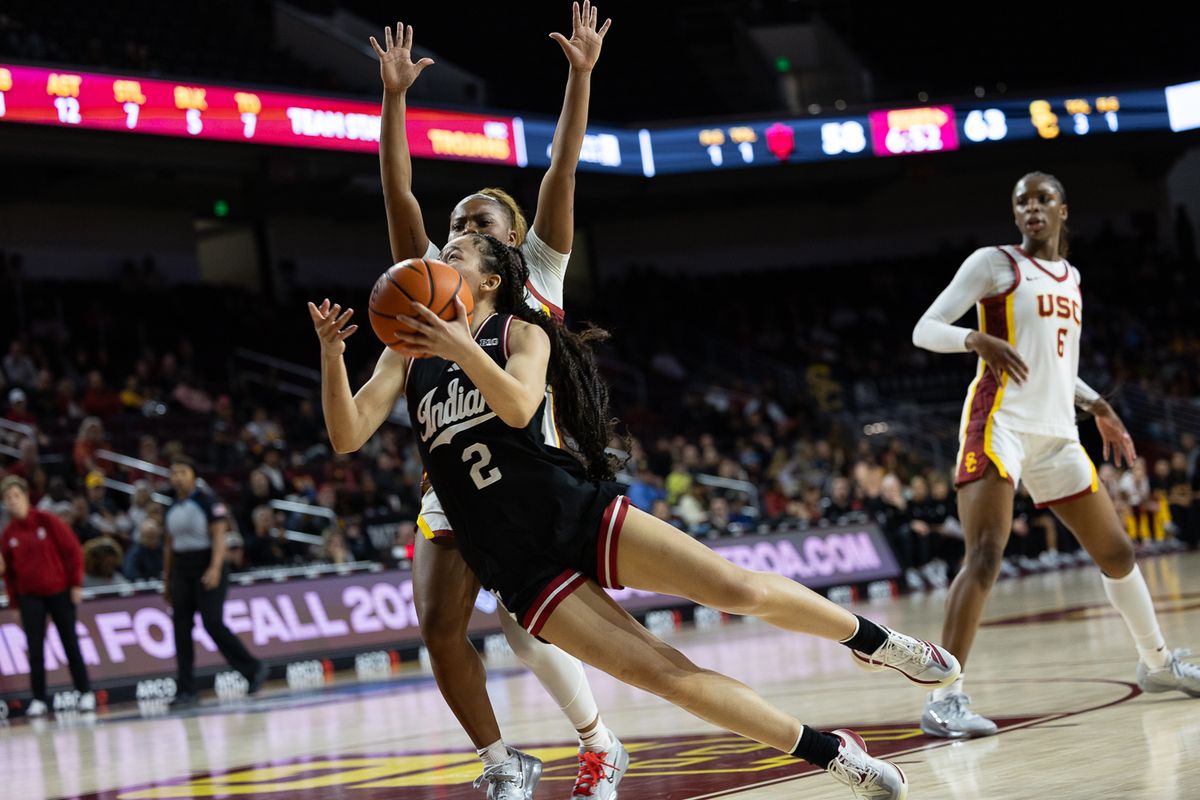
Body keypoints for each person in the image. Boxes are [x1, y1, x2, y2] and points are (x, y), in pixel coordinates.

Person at [310, 233, 961, 800]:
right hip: (514, 558)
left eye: (455, 252)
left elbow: (515, 406)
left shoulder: (520, 332)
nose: (439, 256)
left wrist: (463, 345)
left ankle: (876, 643)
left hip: (569, 509)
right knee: (666, 677)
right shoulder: (406, 356)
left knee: (737, 588)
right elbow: (347, 434)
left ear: (487, 279)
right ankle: (833, 755)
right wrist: (333, 355)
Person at [368, 7, 628, 797]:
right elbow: (398, 189)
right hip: (454, 481)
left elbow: (561, 171)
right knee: (438, 630)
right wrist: (393, 100)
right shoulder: (434, 292)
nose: (459, 231)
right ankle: (499, 761)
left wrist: (580, 77)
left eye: (477, 223)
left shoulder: (538, 275)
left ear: (510, 238)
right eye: (453, 226)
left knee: (525, 623)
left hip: (533, 471)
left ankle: (598, 741)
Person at [911, 171, 1200, 739]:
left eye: (1043, 199)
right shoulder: (993, 264)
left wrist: (1099, 407)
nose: (1032, 208)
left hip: (1057, 431)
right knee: (987, 553)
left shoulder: (1071, 277)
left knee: (1117, 553)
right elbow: (926, 328)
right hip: (1000, 423)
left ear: (1064, 210)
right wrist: (975, 339)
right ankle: (944, 698)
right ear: (1015, 214)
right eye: (1022, 201)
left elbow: (1055, 367)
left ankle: (1158, 665)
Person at [163, 456, 266, 707]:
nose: (177, 477)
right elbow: (168, 545)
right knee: (180, 629)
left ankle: (253, 668)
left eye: (182, 472)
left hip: (208, 565)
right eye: (173, 473)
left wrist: (215, 568)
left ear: (193, 475)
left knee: (212, 622)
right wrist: (166, 579)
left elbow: (219, 537)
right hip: (182, 569)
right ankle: (186, 689)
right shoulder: (169, 506)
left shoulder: (208, 502)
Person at [0, 475, 94, 716]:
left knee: (70, 643)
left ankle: (85, 693)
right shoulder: (8, 535)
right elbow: (9, 574)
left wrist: (75, 584)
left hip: (59, 592)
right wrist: (15, 603)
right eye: (8, 498)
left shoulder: (46, 520)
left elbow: (73, 551)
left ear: (26, 496)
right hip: (29, 598)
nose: (12, 501)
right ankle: (39, 699)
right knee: (35, 650)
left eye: (16, 496)